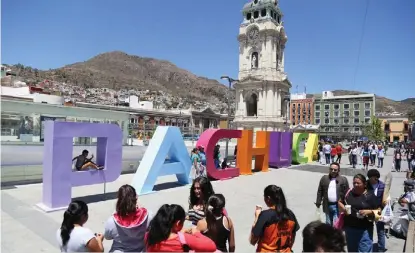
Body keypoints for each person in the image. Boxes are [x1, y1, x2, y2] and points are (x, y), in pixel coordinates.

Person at [145, 204, 217, 252]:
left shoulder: (148, 236)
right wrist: (197, 232)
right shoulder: (182, 239)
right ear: (178, 223)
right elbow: (212, 246)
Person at [249, 185, 300, 252]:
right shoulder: (290, 214)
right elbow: (292, 240)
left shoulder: (265, 216)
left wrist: (256, 218)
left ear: (268, 198)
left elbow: (252, 241)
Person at [338, 174, 381, 252]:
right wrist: (343, 208)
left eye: (358, 183)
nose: (355, 185)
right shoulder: (348, 192)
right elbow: (340, 201)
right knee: (352, 250)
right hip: (350, 228)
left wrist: (369, 211)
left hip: (364, 230)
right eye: (354, 183)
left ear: (364, 184)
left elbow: (379, 211)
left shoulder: (370, 195)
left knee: (364, 250)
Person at [104, 185, 151, 252]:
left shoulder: (111, 221)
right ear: (136, 197)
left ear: (119, 199)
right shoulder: (148, 216)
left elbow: (107, 237)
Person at [367, 169, 387, 252]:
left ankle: (381, 249)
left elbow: (386, 199)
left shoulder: (382, 186)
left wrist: (383, 206)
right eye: (371, 177)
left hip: (379, 210)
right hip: (368, 210)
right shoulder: (366, 184)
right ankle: (368, 247)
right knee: (368, 229)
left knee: (380, 231)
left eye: (375, 178)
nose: (373, 179)